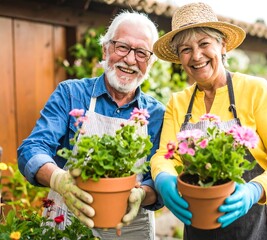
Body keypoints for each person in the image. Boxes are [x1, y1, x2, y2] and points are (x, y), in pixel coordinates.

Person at [150, 2, 267, 240]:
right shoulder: (178, 102)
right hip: (201, 225)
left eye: (204, 43)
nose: (196, 56)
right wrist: (163, 178)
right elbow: (164, 154)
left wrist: (254, 189)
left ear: (222, 45)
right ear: (179, 59)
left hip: (262, 222)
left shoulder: (255, 90)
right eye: (185, 49)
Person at [17, 10, 165, 240]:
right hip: (67, 222)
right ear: (105, 49)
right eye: (122, 47)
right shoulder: (70, 94)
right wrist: (59, 179)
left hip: (130, 230)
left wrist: (144, 194)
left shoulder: (157, 114)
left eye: (141, 53)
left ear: (151, 62)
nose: (130, 59)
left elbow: (160, 178)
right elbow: (31, 149)